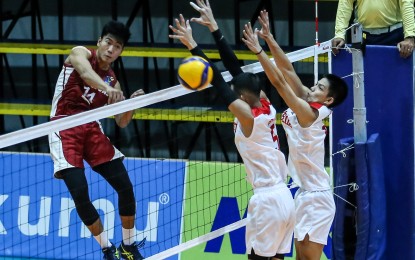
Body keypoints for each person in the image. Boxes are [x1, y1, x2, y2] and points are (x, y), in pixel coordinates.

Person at [169, 10, 295, 260]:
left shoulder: (248, 117)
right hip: (285, 197)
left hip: (268, 200)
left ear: (241, 97)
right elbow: (234, 70)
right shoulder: (265, 103)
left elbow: (217, 79)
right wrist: (215, 28)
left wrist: (193, 45)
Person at [242, 11, 348, 260]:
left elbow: (280, 83)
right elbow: (288, 71)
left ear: (329, 99)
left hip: (317, 198)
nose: (313, 88)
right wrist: (269, 38)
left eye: (319, 88)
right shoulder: (308, 101)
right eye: (316, 84)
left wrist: (259, 52)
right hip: (301, 193)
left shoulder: (311, 114)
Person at [48, 20, 145, 260]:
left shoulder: (114, 82)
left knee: (125, 187)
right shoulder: (79, 53)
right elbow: (85, 73)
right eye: (108, 42)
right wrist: (106, 88)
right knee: (80, 193)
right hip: (64, 126)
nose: (111, 49)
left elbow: (121, 122)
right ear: (99, 42)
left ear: (121, 52)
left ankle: (128, 246)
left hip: (92, 130)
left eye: (117, 46)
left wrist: (132, 105)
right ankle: (106, 249)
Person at [332, 0, 415, 58]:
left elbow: (406, 4)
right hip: (362, 36)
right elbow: (345, 3)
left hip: (393, 36)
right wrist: (339, 34)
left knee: (394, 78)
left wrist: (409, 37)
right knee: (364, 78)